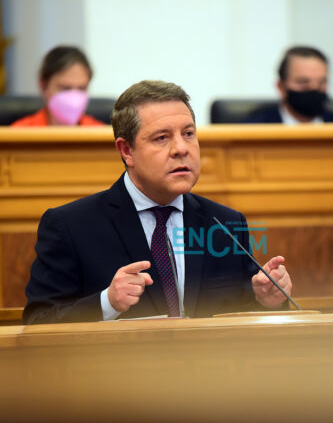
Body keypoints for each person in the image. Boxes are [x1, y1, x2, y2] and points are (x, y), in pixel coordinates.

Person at [23, 80, 293, 324]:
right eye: (162, 138)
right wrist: (107, 303)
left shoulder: (226, 224)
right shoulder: (71, 227)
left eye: (188, 133)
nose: (181, 149)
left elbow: (238, 316)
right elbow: (38, 323)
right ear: (127, 151)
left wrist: (265, 299)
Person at [246, 45, 333, 124]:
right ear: (281, 87)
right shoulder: (253, 129)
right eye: (303, 82)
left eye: (321, 82)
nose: (314, 88)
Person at [11, 45, 104, 127]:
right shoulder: (19, 134)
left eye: (81, 88)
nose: (73, 98)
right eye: (65, 88)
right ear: (43, 85)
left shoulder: (101, 134)